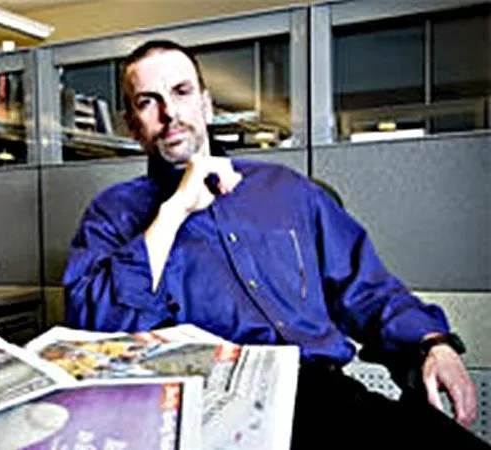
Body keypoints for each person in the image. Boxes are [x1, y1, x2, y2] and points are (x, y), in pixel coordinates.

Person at [62, 40, 488, 449]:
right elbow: (98, 332)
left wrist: (433, 343)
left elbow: (367, 290)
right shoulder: (112, 213)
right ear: (133, 125)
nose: (170, 112)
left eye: (181, 92)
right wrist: (173, 211)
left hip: (324, 401)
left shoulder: (287, 190)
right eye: (147, 101)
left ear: (206, 104)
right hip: (205, 418)